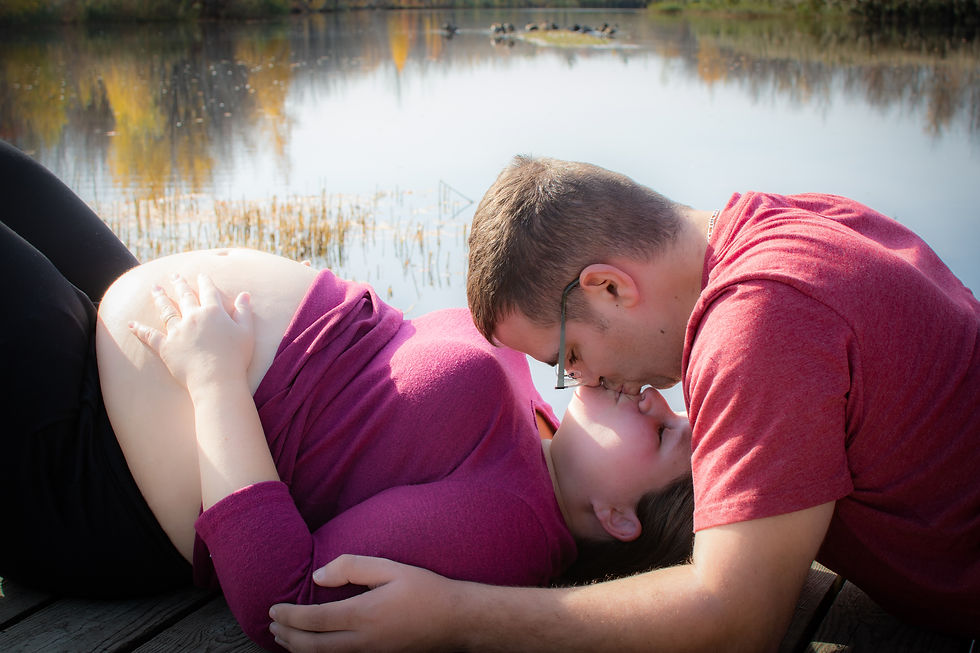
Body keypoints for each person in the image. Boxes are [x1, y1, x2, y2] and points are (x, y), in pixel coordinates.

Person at [267, 155, 979, 652]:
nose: (587, 383)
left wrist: (454, 614)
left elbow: (735, 623)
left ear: (610, 287)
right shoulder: (793, 222)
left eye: (569, 355)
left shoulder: (760, 324)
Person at [0, 142, 696, 650]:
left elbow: (288, 600)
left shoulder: (509, 527)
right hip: (138, 350)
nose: (657, 401)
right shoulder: (541, 426)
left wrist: (212, 372)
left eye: (664, 436)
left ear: (617, 518)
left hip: (88, 460)